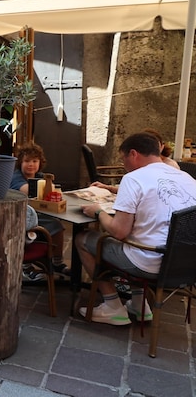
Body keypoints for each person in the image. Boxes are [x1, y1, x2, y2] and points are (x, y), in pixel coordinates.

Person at [76, 132, 196, 325]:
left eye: (123, 158)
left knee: (83, 239)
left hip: (149, 263)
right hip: (187, 264)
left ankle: (113, 307)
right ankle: (140, 305)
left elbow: (119, 231)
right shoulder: (187, 178)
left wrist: (98, 212)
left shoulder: (133, 179)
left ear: (133, 154)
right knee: (140, 236)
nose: (124, 164)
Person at [10, 142, 70, 281]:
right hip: (18, 216)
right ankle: (26, 267)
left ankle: (57, 262)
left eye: (34, 161)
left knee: (57, 225)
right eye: (27, 161)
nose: (31, 164)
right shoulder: (16, 177)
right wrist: (50, 187)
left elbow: (51, 192)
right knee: (31, 229)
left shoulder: (40, 176)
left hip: (37, 213)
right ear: (20, 163)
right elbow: (29, 191)